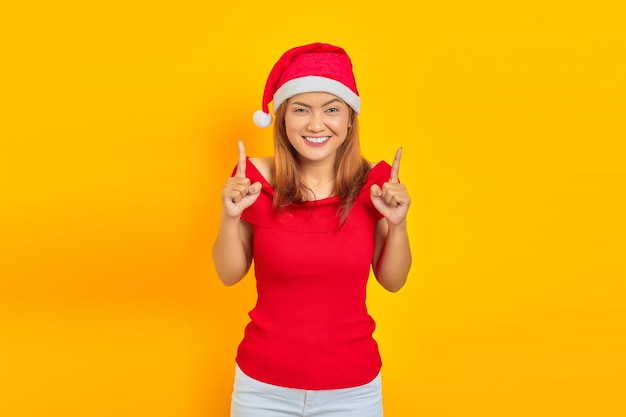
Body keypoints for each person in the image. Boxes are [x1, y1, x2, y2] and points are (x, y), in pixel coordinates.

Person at [212, 42, 412, 417]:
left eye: (331, 110)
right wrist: (229, 217)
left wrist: (397, 226)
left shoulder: (376, 185)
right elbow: (228, 274)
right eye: (301, 110)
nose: (316, 124)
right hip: (262, 391)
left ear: (350, 119)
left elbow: (393, 281)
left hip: (353, 391)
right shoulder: (251, 181)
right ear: (283, 118)